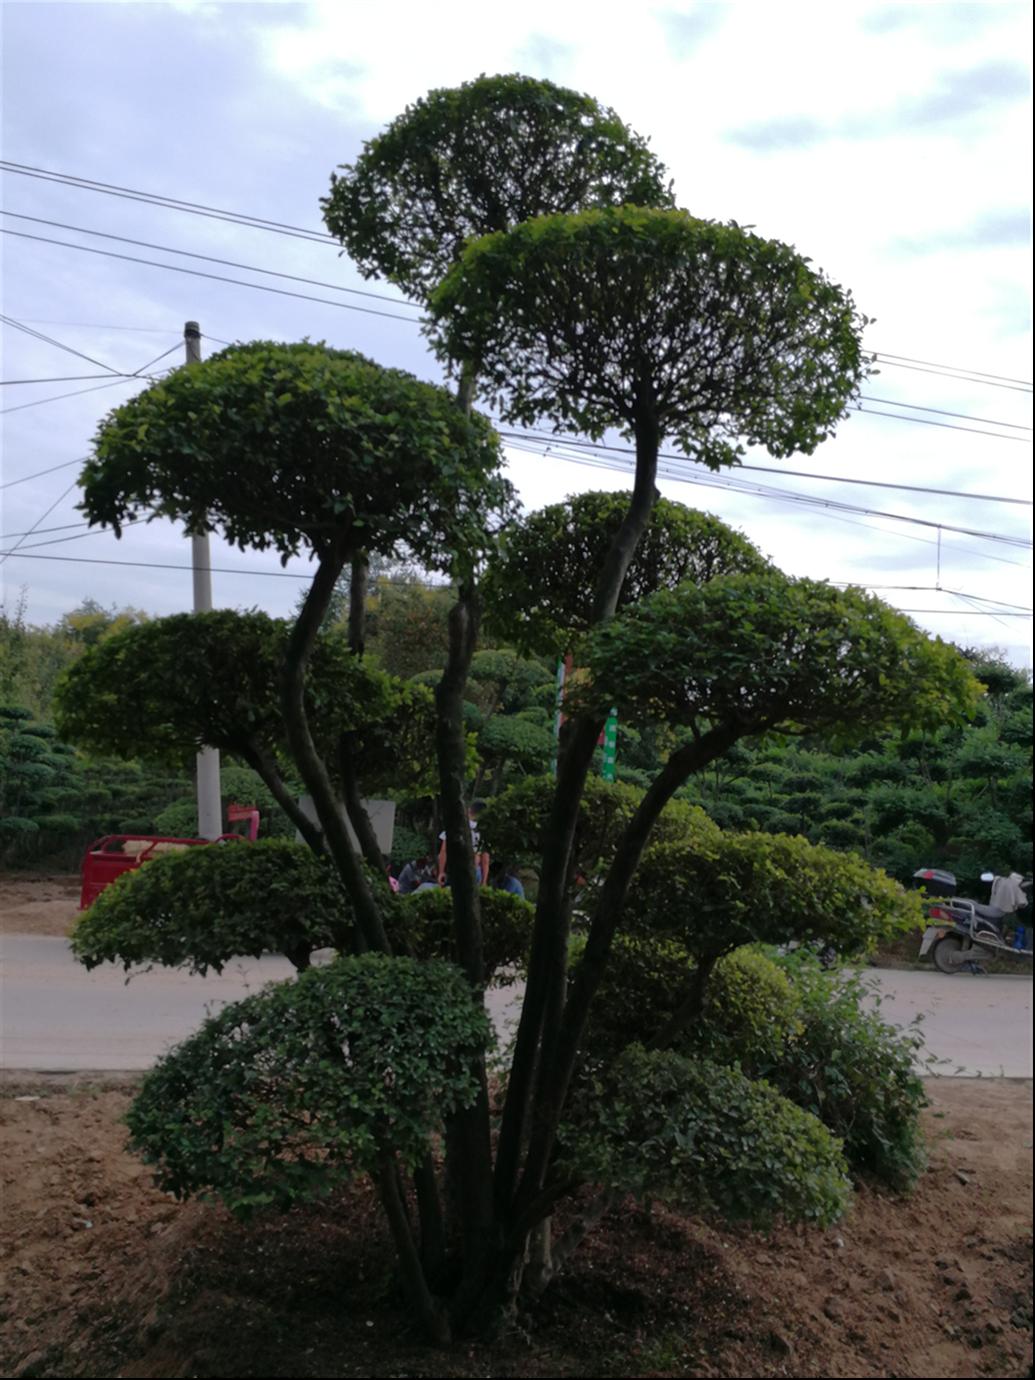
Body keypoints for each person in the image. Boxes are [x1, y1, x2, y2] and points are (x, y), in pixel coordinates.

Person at [438, 800, 490, 887]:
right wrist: (484, 882)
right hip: (474, 869)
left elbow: (444, 851)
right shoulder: (483, 831)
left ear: (468, 810)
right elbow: (485, 860)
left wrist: (441, 872)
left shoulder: (454, 826)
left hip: (456, 868)